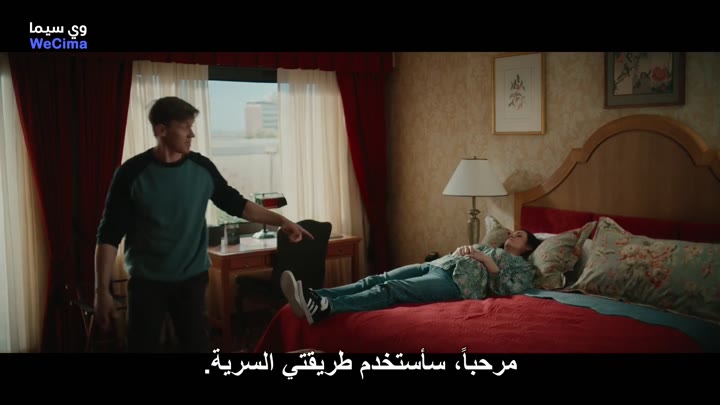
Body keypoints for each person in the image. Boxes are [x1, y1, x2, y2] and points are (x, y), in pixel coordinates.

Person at [94, 96, 313, 353]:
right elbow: (108, 235)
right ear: (161, 130)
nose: (192, 134)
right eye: (185, 127)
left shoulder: (202, 168)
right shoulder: (131, 173)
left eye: (192, 126)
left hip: (191, 281)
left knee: (196, 347)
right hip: (146, 284)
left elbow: (237, 204)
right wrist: (101, 291)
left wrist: (283, 221)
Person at [281, 230, 542, 325]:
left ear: (528, 246)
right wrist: (462, 251)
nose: (511, 235)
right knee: (375, 279)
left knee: (392, 288)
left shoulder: (523, 268)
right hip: (439, 265)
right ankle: (313, 297)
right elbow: (463, 253)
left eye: (518, 235)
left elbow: (507, 289)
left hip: (456, 284)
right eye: (511, 232)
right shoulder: (487, 245)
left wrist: (485, 260)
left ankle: (327, 307)